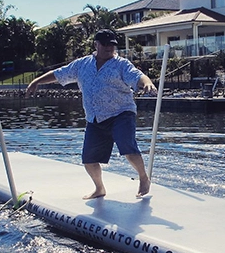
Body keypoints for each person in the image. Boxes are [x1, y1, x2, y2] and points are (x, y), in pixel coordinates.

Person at [26, 29, 157, 200]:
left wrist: (147, 83)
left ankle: (143, 178)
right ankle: (99, 188)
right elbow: (60, 74)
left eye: (112, 45)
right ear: (96, 44)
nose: (110, 48)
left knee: (127, 146)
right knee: (89, 160)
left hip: (121, 113)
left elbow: (138, 76)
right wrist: (36, 81)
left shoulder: (121, 64)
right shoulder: (82, 64)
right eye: (105, 44)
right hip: (95, 117)